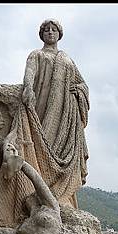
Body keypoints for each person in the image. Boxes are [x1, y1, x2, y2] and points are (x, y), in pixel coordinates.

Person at [21, 18, 90, 208]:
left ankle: (62, 195)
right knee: (42, 147)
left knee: (63, 149)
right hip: (43, 110)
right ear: (42, 34)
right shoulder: (36, 55)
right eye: (46, 30)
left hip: (65, 114)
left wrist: (80, 91)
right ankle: (39, 191)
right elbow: (29, 74)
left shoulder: (67, 59)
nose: (50, 32)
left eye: (54, 30)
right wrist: (28, 88)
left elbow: (82, 83)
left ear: (59, 34)